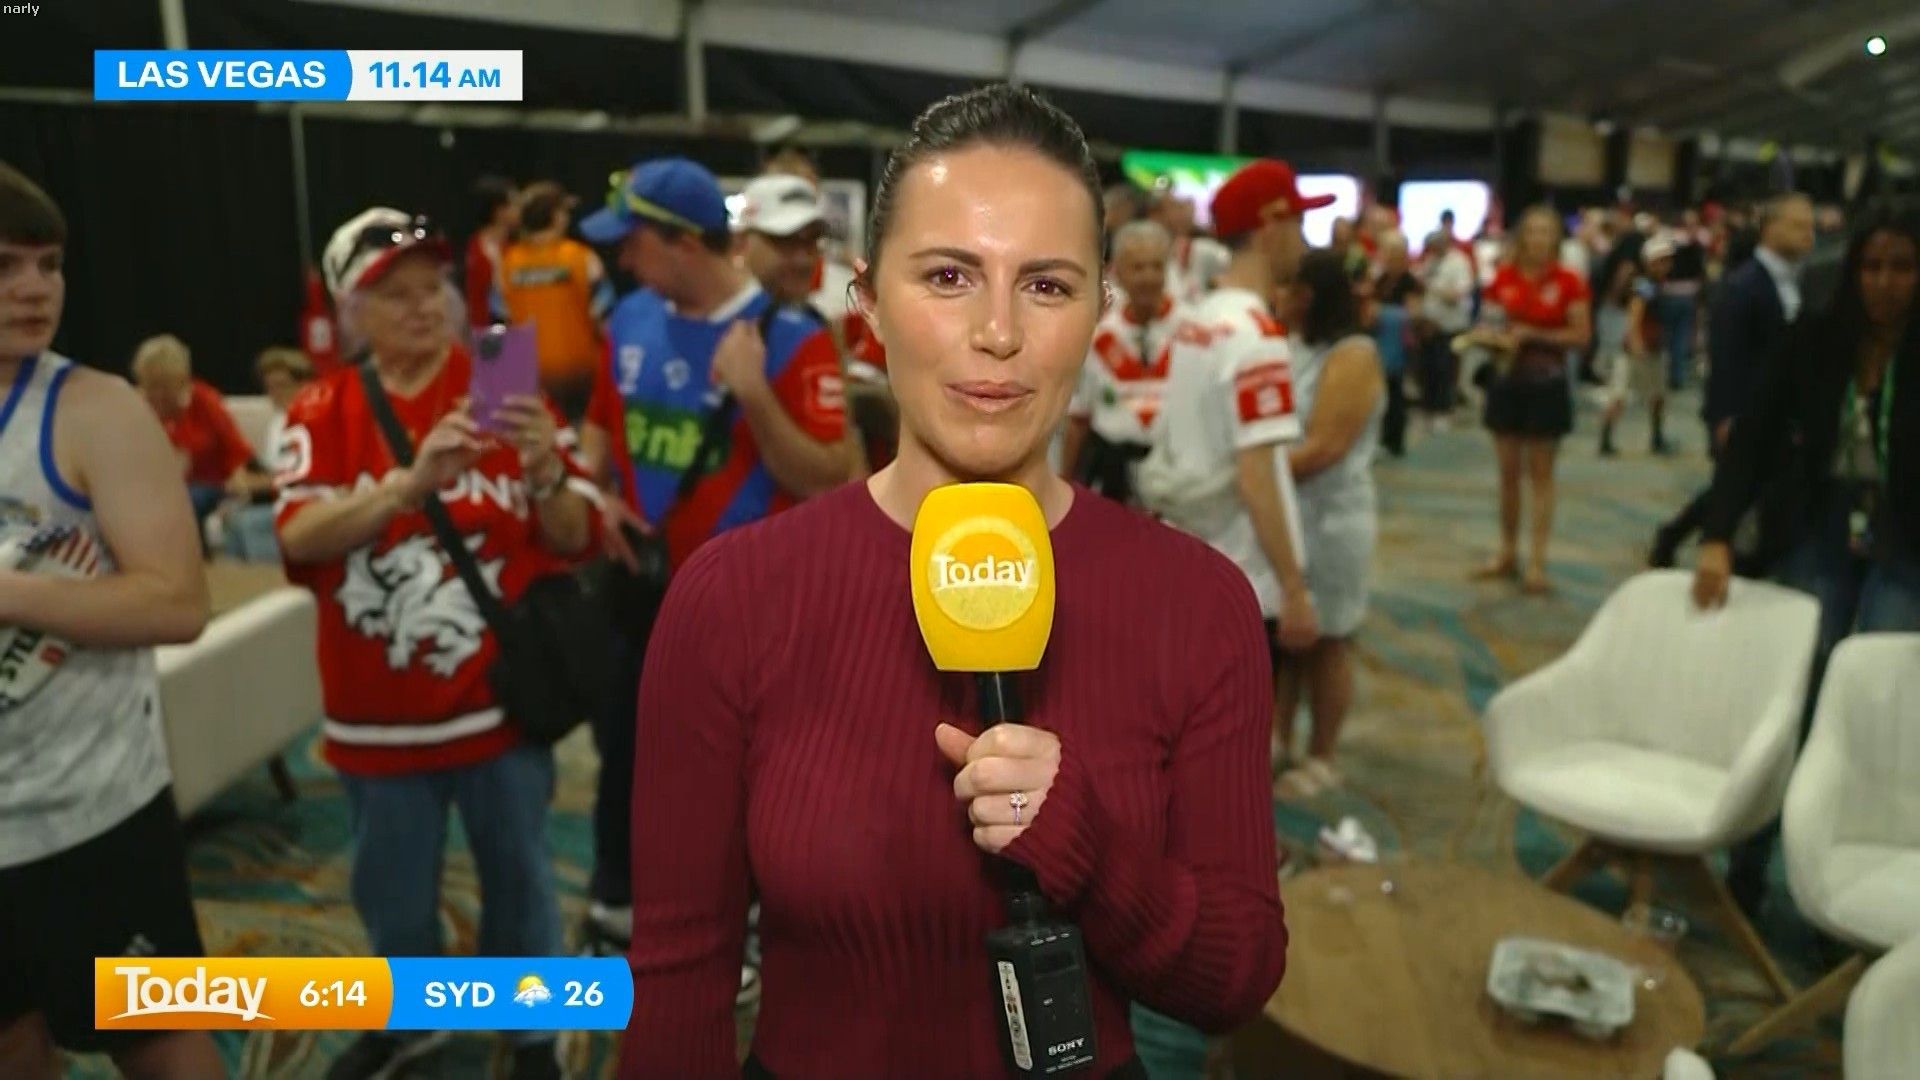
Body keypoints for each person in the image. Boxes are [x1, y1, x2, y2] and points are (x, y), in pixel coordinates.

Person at [619, 85, 1287, 1079]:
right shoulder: (733, 598)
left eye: (1047, 286)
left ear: (1098, 312)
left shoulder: (1198, 604)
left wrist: (1089, 849)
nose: (998, 331)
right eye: (948, 276)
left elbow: (1236, 979)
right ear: (866, 303)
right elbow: (679, 974)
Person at [280, 208, 598, 1080]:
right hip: (375, 718)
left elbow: (572, 537)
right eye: (396, 295)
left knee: (522, 883)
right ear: (352, 312)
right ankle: (412, 1023)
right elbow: (298, 537)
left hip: (499, 707)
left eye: (435, 289)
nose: (424, 307)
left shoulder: (498, 377)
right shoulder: (323, 407)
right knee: (391, 893)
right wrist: (407, 485)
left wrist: (546, 468)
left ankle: (530, 1034)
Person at [573, 158, 854, 989]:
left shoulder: (794, 338)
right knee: (626, 754)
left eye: (633, 242)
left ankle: (751, 926)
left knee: (743, 777)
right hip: (640, 591)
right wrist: (595, 494)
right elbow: (601, 424)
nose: (621, 258)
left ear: (684, 244)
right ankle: (615, 911)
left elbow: (829, 477)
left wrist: (754, 397)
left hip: (750, 608)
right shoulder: (628, 317)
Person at [0, 163, 222, 1080]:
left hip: (91, 813)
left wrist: (9, 595)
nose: (35, 289)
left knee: (162, 1041)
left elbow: (177, 602)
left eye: (49, 265)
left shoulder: (94, 409)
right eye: (7, 266)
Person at [1694, 204, 1920, 916]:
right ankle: (1748, 863)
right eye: (1871, 266)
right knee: (1796, 689)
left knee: (1872, 702)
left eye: (1901, 267)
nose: (1884, 282)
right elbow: (1754, 438)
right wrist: (1717, 532)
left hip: (1906, 538)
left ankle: (1838, 886)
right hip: (1821, 524)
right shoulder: (1818, 338)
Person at [1138, 159, 1326, 681]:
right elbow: (1257, 474)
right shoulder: (1256, 337)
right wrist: (1293, 587)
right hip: (1244, 579)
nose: (1304, 240)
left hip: (1188, 560)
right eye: (1298, 223)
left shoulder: (1196, 321)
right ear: (1270, 227)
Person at [1272, 249, 1384, 800]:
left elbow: (1325, 446)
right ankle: (1281, 740)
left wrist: (1247, 474)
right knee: (1285, 635)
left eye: (1286, 287)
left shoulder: (1353, 354)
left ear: (1308, 295)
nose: (1276, 297)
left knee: (1329, 638)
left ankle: (1324, 754)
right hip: (1288, 511)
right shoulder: (1293, 345)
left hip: (1333, 515)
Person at [1651, 193, 1814, 567]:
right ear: (1769, 228)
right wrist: (1725, 416)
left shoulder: (1799, 281)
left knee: (1749, 486)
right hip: (1743, 411)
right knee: (1741, 486)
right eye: (1797, 226)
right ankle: (1696, 541)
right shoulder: (1743, 285)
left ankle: (1682, 535)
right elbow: (1726, 357)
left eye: (1810, 227)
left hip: (1779, 412)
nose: (1808, 235)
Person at [1468, 205, 1593, 594]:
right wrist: (1491, 338)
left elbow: (1580, 336)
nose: (1538, 239)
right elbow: (1487, 323)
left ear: (1556, 239)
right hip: (1506, 381)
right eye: (1533, 231)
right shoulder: (1502, 279)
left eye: (1546, 232)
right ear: (1521, 237)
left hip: (1547, 383)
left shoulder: (1569, 282)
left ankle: (1537, 560)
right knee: (1507, 473)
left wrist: (1533, 335)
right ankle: (1507, 551)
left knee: (1541, 475)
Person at [1058, 218, 1182, 502]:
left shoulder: (1191, 332)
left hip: (1176, 481)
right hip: (1113, 478)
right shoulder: (1098, 338)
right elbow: (1078, 420)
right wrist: (1064, 482)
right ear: (1118, 273)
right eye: (1138, 267)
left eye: (1157, 266)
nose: (1148, 277)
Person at [132, 331, 267, 543]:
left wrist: (239, 480)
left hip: (209, 486)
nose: (155, 394)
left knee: (185, 500)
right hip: (156, 489)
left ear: (181, 381)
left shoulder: (204, 401)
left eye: (162, 386)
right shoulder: (138, 409)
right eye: (150, 385)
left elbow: (235, 450)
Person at [497, 180, 613, 421]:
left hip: (529, 380)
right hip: (582, 378)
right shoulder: (582, 258)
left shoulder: (506, 265)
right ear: (556, 217)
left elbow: (499, 328)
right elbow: (606, 322)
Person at [220, 345, 315, 562]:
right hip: (277, 499)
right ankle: (239, 581)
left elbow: (300, 476)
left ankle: (274, 578)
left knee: (251, 523)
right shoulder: (277, 422)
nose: (275, 393)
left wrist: (257, 484)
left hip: (309, 500)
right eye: (270, 387)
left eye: (282, 385)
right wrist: (244, 479)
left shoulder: (312, 419)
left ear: (303, 384)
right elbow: (270, 469)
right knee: (232, 519)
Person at [1599, 232, 1677, 457]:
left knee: (1657, 396)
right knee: (1620, 394)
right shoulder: (1645, 285)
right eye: (1661, 261)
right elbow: (1635, 312)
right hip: (1639, 348)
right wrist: (1635, 341)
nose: (1666, 265)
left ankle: (1656, 437)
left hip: (1653, 346)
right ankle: (1607, 438)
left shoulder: (1656, 284)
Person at [1416, 222, 1474, 430]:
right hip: (1428, 326)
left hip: (1451, 326)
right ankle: (1428, 409)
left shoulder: (1459, 262)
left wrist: (1435, 288)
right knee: (1428, 369)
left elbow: (1459, 293)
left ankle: (1444, 410)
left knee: (1446, 369)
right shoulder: (1429, 262)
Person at [1369, 229, 1420, 456]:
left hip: (1399, 345)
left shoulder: (1409, 282)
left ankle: (1395, 440)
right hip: (1380, 341)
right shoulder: (1380, 280)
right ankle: (1382, 437)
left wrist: (1384, 312)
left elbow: (1413, 312)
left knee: (1396, 393)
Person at [1152, 191, 1230, 304]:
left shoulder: (1204, 250)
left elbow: (1235, 265)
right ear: (1155, 215)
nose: (1184, 214)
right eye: (1177, 207)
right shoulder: (1141, 252)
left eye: (1186, 207)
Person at [464, 175, 518, 329]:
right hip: (483, 334)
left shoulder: (517, 249)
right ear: (499, 211)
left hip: (518, 331)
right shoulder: (473, 251)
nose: (520, 210)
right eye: (514, 204)